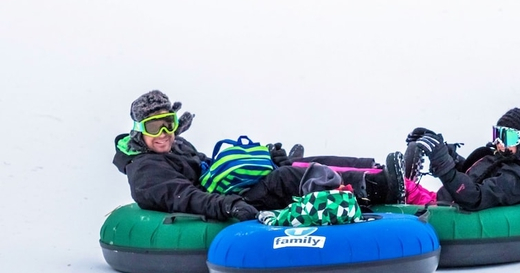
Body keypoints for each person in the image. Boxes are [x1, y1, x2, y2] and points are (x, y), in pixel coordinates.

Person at [112, 90, 405, 222]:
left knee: (291, 164)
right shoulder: (146, 171)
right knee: (286, 178)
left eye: (170, 123)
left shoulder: (177, 146)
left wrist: (262, 159)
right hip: (224, 204)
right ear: (139, 131)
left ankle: (376, 169)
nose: (164, 133)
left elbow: (208, 167)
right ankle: (380, 188)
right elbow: (185, 197)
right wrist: (230, 206)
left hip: (226, 191)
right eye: (155, 126)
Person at [403, 101, 520, 211]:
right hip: (442, 201)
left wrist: (443, 165)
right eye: (497, 134)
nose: (499, 143)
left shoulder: (517, 179)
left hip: (447, 210)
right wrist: (445, 152)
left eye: (507, 137)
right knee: (400, 183)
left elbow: (475, 196)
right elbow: (472, 175)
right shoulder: (506, 158)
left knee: (396, 185)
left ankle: (397, 188)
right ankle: (398, 183)